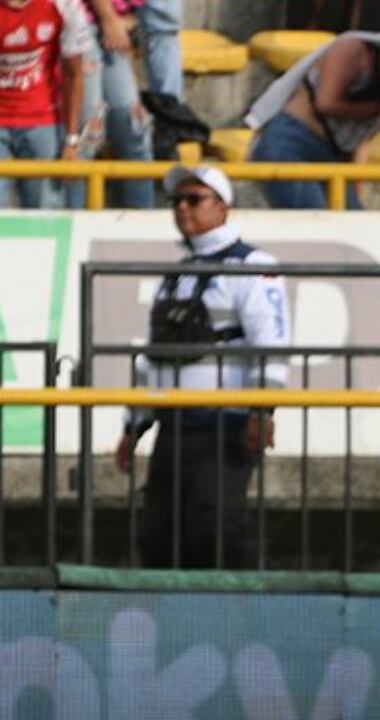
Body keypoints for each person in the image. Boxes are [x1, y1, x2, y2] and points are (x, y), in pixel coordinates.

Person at [114, 165, 291, 569]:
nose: (183, 208)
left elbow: (272, 341)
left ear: (223, 207)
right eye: (176, 200)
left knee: (214, 530)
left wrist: (261, 410)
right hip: (173, 424)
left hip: (223, 425)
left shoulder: (253, 265)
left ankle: (241, 620)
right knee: (158, 536)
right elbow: (155, 357)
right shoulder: (175, 274)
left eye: (195, 199)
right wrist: (133, 426)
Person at [246, 31, 380, 209]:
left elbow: (363, 136)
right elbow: (326, 102)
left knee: (355, 229)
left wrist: (356, 190)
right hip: (292, 142)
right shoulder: (355, 48)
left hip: (332, 153)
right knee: (315, 225)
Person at [0, 0, 90, 208]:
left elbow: (73, 75)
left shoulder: (65, 5)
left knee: (45, 215)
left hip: (42, 121)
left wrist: (71, 141)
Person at [67, 0, 155, 209]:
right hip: (79, 22)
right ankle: (72, 219)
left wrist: (125, 19)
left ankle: (143, 222)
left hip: (112, 22)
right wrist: (109, 18)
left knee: (134, 129)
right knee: (86, 135)